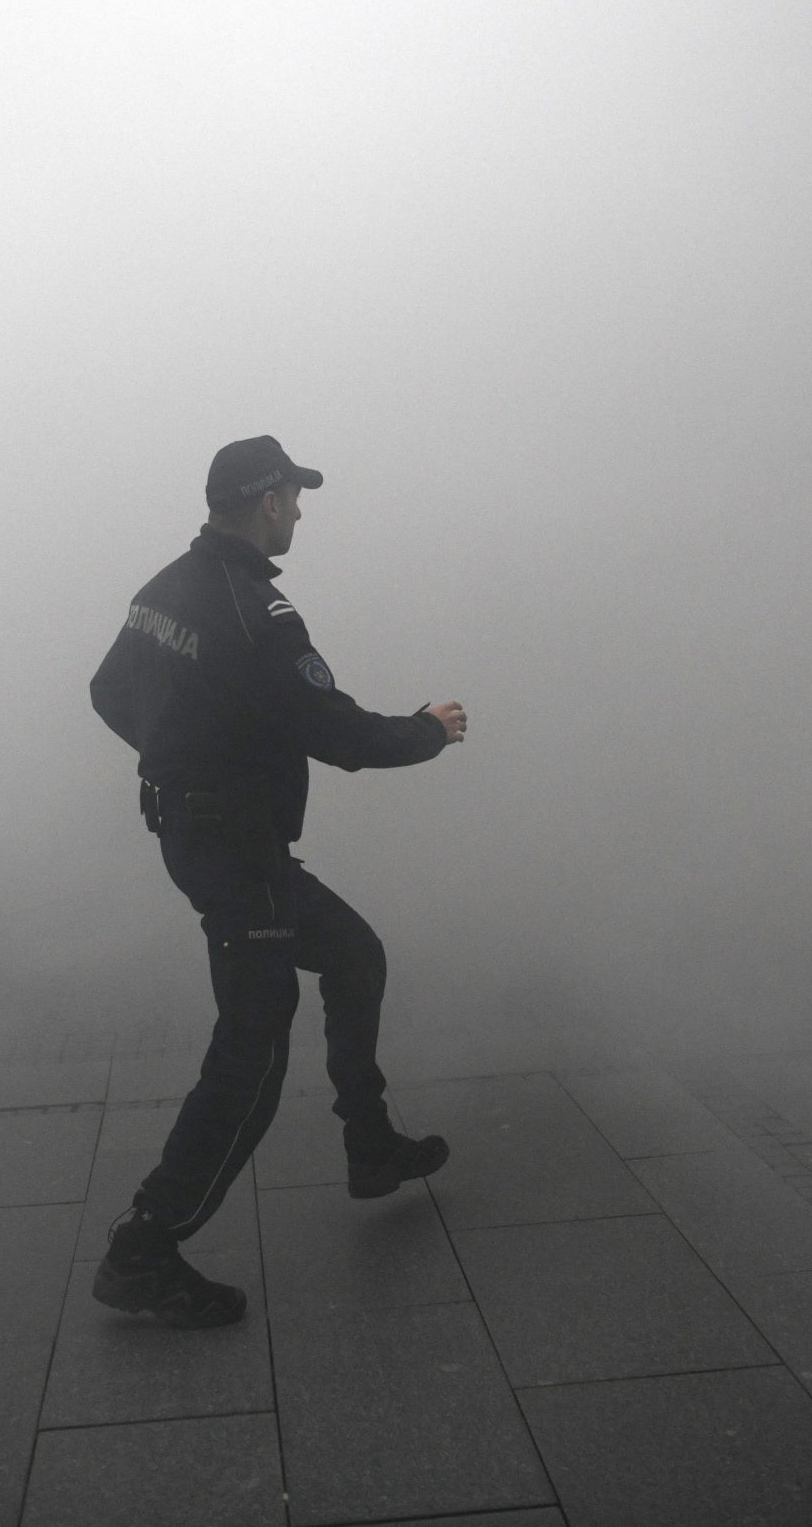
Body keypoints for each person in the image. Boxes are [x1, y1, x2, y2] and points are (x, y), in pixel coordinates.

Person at [86, 435, 469, 1327]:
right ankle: (144, 1245)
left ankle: (370, 1146)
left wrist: (180, 754)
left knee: (353, 956)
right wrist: (428, 729)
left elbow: (109, 691)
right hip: (236, 850)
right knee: (253, 1047)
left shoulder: (163, 589)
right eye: (294, 496)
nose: (299, 511)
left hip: (202, 832)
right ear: (266, 502)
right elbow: (334, 732)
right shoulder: (260, 610)